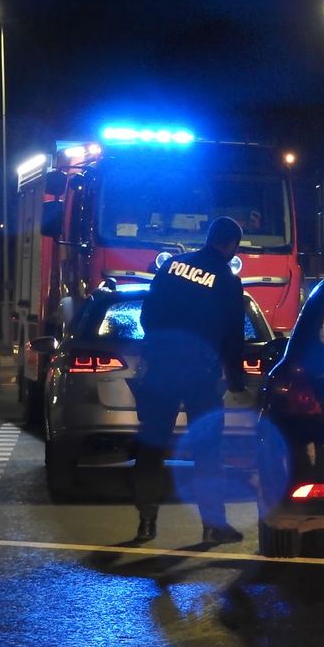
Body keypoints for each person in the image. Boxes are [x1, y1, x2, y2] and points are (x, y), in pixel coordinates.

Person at [131, 216, 247, 544]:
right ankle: (213, 524)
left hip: (162, 370)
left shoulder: (171, 267)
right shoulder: (226, 279)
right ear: (231, 245)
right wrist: (236, 378)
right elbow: (232, 336)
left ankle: (146, 521)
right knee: (207, 450)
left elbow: (147, 315)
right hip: (201, 374)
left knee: (152, 446)